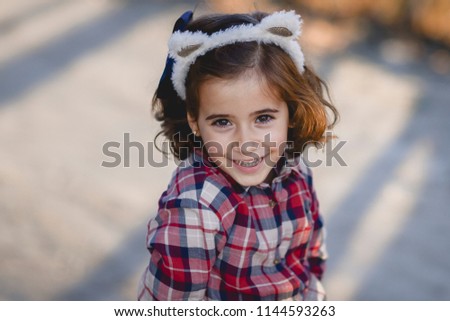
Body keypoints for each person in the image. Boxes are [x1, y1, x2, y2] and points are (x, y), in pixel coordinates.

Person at [138, 9, 339, 301]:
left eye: (263, 118)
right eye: (223, 122)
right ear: (195, 121)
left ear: (290, 112)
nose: (246, 143)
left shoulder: (295, 170)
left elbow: (311, 255)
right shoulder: (195, 209)